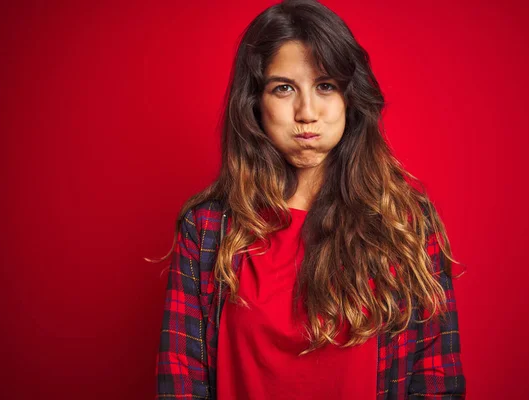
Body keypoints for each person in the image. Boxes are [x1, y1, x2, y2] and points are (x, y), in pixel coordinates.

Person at [153, 0, 466, 399]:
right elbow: (180, 381)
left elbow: (438, 379)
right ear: (255, 103)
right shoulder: (208, 229)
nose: (306, 112)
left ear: (350, 99)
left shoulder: (404, 222)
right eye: (283, 88)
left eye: (325, 86)